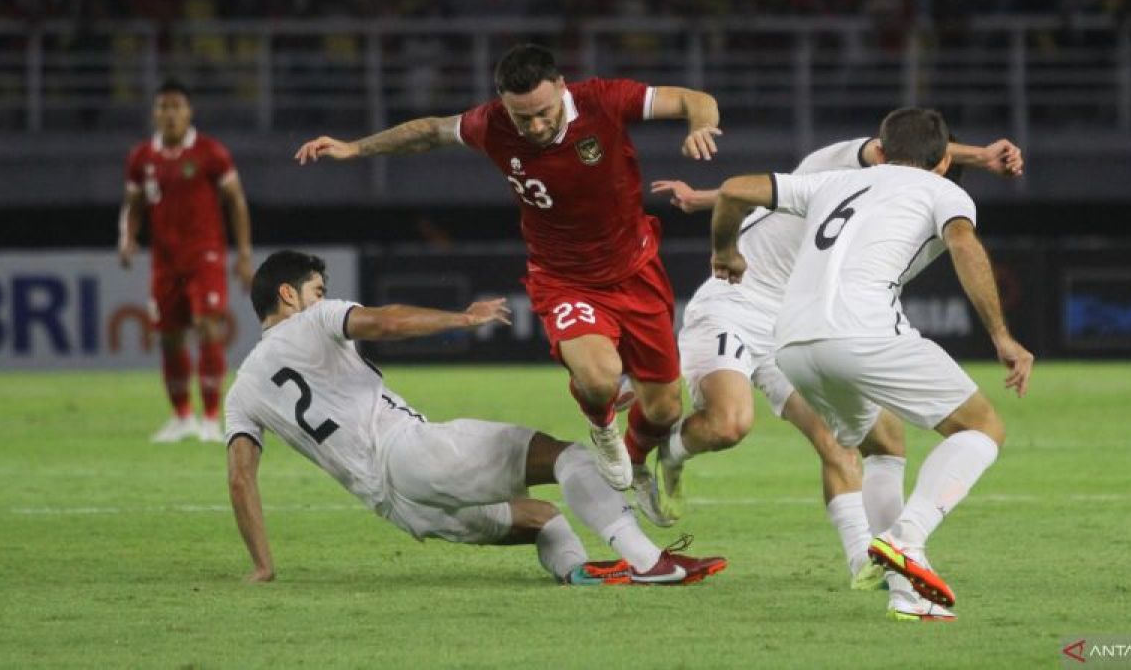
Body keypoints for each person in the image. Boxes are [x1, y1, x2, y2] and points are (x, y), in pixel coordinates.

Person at [294, 44, 722, 526]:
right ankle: (601, 426)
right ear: (502, 102)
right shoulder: (490, 123)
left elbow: (693, 98)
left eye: (543, 113)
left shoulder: (603, 100)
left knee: (664, 410)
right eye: (524, 119)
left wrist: (701, 125)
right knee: (601, 377)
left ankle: (637, 457)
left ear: (562, 87)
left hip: (637, 271)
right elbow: (429, 131)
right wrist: (356, 147)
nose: (535, 127)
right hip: (563, 279)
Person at [648, 134, 1023, 590]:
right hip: (735, 302)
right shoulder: (839, 166)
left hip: (798, 320)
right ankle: (670, 450)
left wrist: (703, 197)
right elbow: (913, 150)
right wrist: (980, 157)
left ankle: (867, 565)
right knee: (728, 425)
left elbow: (917, 152)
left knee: (846, 440)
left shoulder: (877, 193)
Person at [225, 250, 727, 586]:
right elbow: (388, 319)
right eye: (316, 288)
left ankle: (578, 574)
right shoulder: (314, 319)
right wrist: (461, 319)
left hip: (400, 509)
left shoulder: (243, 388)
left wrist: (263, 566)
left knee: (545, 519)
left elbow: (240, 479)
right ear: (288, 295)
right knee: (568, 458)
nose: (321, 296)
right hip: (411, 453)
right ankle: (649, 562)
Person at [119, 80, 254, 443]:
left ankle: (211, 418)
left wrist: (243, 254)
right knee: (168, 336)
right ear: (154, 113)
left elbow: (237, 202)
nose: (170, 114)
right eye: (163, 107)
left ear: (189, 111)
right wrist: (127, 237)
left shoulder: (211, 153)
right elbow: (132, 205)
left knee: (208, 326)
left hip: (205, 255)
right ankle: (182, 417)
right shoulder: (142, 157)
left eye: (177, 106)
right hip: (165, 261)